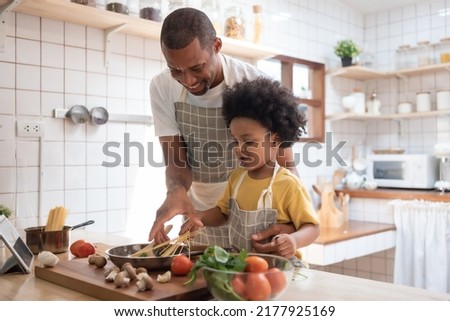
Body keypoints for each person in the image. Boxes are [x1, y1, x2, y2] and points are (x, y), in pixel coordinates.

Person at [148, 8, 298, 250]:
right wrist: (175, 191)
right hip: (201, 219)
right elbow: (176, 160)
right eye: (176, 70)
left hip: (258, 223)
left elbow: (285, 162)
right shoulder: (162, 86)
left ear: (216, 46)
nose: (188, 81)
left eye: (197, 68)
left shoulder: (250, 82)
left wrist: (296, 223)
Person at [179, 77, 320, 258]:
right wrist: (199, 218)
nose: (239, 149)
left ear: (275, 139)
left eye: (249, 142)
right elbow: (222, 213)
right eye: (236, 141)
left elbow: (312, 227)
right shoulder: (237, 178)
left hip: (280, 271)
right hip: (243, 266)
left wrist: (294, 241)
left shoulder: (288, 184)